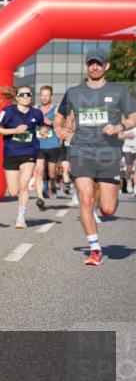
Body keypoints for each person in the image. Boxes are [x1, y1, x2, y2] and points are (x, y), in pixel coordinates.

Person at [54, 48, 136, 266]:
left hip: (109, 153)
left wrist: (118, 126)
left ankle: (106, 204)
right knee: (85, 198)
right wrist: (57, 129)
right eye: (91, 63)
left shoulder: (119, 91)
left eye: (99, 63)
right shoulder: (73, 92)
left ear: (106, 66)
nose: (95, 66)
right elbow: (59, 116)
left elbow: (133, 117)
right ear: (86, 66)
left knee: (108, 209)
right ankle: (94, 248)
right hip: (81, 151)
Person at [0, 85, 44, 229]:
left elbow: (42, 127)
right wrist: (14, 130)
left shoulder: (36, 113)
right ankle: (20, 209)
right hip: (11, 152)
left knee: (24, 185)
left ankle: (21, 217)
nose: (25, 97)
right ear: (17, 97)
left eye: (28, 94)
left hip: (29, 152)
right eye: (22, 95)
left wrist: (44, 131)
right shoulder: (8, 111)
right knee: (13, 191)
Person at [34, 85, 60, 207]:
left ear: (51, 96)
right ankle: (40, 197)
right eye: (42, 95)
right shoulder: (35, 108)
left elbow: (60, 123)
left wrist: (48, 121)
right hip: (38, 144)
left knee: (51, 174)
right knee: (39, 171)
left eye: (47, 95)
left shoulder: (55, 110)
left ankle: (53, 185)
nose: (44, 97)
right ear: (40, 96)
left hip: (52, 144)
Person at [120, 125, 136, 195]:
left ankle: (135, 187)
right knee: (129, 168)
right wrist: (127, 135)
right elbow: (120, 136)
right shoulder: (126, 125)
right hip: (127, 148)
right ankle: (129, 181)